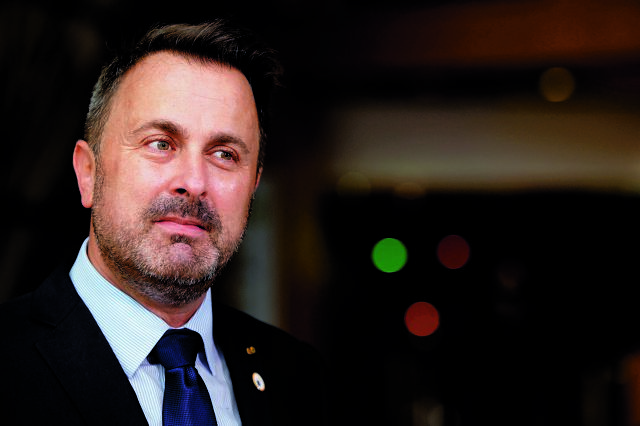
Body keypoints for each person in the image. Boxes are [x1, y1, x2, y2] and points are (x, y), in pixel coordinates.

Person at [0, 20, 325, 426]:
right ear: (88, 173)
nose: (194, 182)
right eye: (161, 144)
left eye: (224, 154)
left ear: (253, 186)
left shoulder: (303, 380)